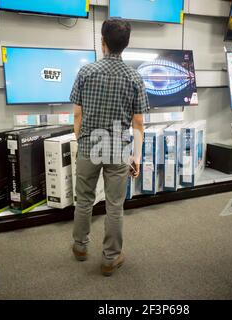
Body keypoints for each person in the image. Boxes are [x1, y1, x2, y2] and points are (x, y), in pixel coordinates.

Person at [70, 18, 150, 276]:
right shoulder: (135, 77)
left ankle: (80, 248)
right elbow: (138, 124)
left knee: (84, 200)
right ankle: (110, 258)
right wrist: (136, 156)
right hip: (118, 148)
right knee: (115, 206)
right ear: (125, 45)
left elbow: (77, 116)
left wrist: (80, 141)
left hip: (88, 146)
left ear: (102, 41)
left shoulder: (85, 72)